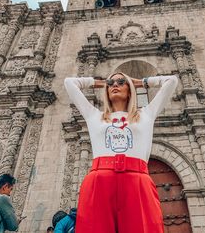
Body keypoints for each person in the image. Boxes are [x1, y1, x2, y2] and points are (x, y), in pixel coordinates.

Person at [64, 72, 178, 233]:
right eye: (111, 83)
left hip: (137, 181)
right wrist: (102, 83)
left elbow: (171, 80)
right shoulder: (94, 116)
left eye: (121, 82)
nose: (114, 85)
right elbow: (69, 82)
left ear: (130, 88)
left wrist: (141, 82)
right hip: (99, 181)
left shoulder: (146, 114)